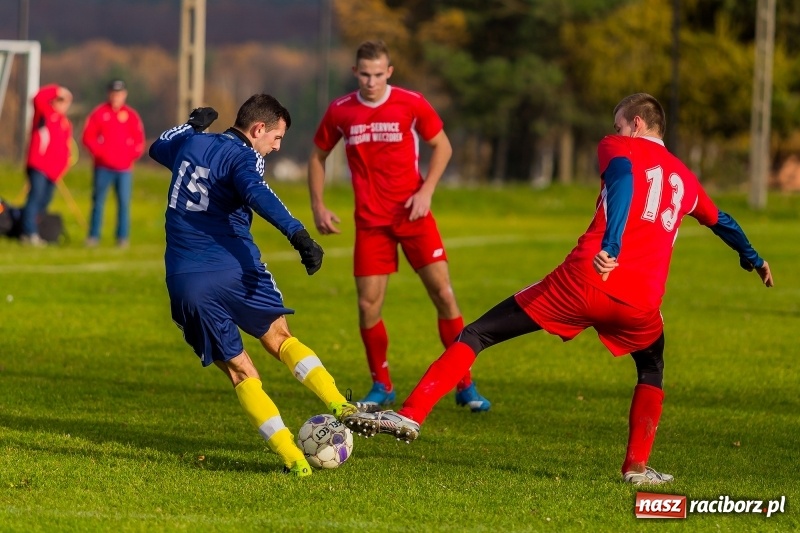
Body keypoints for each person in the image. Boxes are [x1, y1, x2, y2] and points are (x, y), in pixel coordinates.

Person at [343, 93, 774, 485]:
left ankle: (411, 414)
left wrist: (611, 244)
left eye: (620, 123)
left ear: (639, 123)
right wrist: (753, 258)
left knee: (479, 333)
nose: (614, 131)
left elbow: (623, 180)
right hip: (640, 302)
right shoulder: (685, 177)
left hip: (586, 278)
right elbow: (724, 222)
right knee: (651, 368)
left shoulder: (617, 147)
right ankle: (636, 469)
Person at [149, 95, 367, 477]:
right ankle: (340, 405)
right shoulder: (245, 157)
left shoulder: (192, 143)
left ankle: (293, 460)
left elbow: (158, 146)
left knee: (240, 372)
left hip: (184, 282)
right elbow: (256, 192)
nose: (277, 147)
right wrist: (298, 235)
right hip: (234, 268)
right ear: (258, 129)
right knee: (280, 338)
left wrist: (192, 124)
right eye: (277, 138)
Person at [308, 40, 490, 411]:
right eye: (365, 74)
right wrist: (319, 206)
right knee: (367, 305)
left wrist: (427, 191)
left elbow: (443, 146)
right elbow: (317, 155)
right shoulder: (341, 111)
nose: (372, 81)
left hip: (414, 216)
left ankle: (465, 384)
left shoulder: (411, 102)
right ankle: (382, 384)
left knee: (444, 295)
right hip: (371, 224)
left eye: (378, 74)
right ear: (355, 72)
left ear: (389, 72)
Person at [83, 79, 146, 248]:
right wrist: (101, 153)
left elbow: (139, 140)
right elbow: (88, 137)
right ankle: (93, 236)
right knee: (98, 202)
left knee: (124, 204)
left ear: (124, 95)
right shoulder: (99, 113)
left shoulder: (131, 116)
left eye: (119, 93)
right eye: (113, 93)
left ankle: (122, 237)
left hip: (124, 169)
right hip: (103, 167)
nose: (116, 96)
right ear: (109, 94)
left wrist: (129, 156)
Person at [21, 83, 73, 246]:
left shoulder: (66, 123)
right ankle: (28, 232)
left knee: (44, 201)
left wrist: (61, 169)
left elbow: (65, 149)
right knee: (34, 198)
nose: (62, 104)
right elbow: (37, 98)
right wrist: (57, 90)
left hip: (53, 172)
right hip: (39, 167)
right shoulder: (44, 113)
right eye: (59, 100)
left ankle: (37, 231)